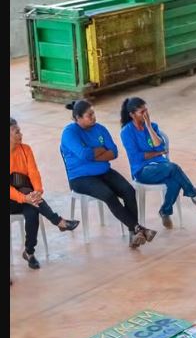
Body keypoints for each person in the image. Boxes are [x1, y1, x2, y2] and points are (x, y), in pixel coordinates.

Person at [60, 100, 156, 249]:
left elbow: (114, 152)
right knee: (108, 195)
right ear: (77, 118)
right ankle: (138, 228)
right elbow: (85, 154)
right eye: (89, 115)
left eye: (93, 113)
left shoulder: (100, 129)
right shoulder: (69, 133)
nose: (93, 117)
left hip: (104, 171)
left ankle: (134, 234)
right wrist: (101, 150)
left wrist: (94, 153)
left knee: (129, 191)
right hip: (80, 177)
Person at [119, 97, 196, 230]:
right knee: (173, 168)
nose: (146, 114)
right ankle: (194, 195)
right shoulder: (126, 132)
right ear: (132, 115)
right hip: (142, 170)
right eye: (142, 112)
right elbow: (137, 156)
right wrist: (157, 153)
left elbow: (159, 145)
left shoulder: (153, 126)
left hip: (161, 166)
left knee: (175, 181)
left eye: (146, 110)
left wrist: (149, 126)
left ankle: (165, 211)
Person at [10, 117, 79, 269]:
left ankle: (29, 252)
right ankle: (58, 221)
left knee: (33, 212)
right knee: (26, 193)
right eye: (16, 132)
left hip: (26, 195)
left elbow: (33, 173)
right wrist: (25, 198)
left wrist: (38, 191)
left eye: (19, 131)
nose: (20, 134)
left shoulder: (25, 149)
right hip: (12, 199)